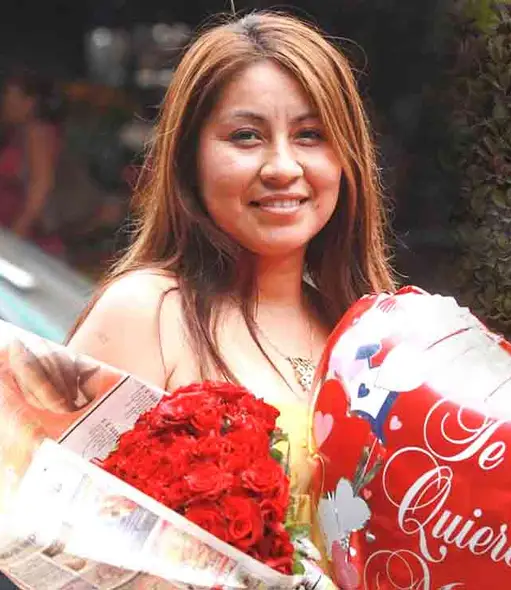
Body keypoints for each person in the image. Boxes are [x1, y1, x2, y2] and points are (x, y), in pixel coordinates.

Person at [65, 10, 394, 540]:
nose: (283, 167)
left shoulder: (370, 332)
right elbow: (57, 542)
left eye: (311, 135)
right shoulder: (146, 313)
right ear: (190, 158)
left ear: (347, 158)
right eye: (245, 136)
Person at [0, 70, 64, 255]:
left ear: (30, 102)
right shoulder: (17, 134)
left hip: (26, 240)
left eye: (11, 98)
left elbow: (41, 185)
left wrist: (17, 233)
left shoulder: (37, 133)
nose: (5, 104)